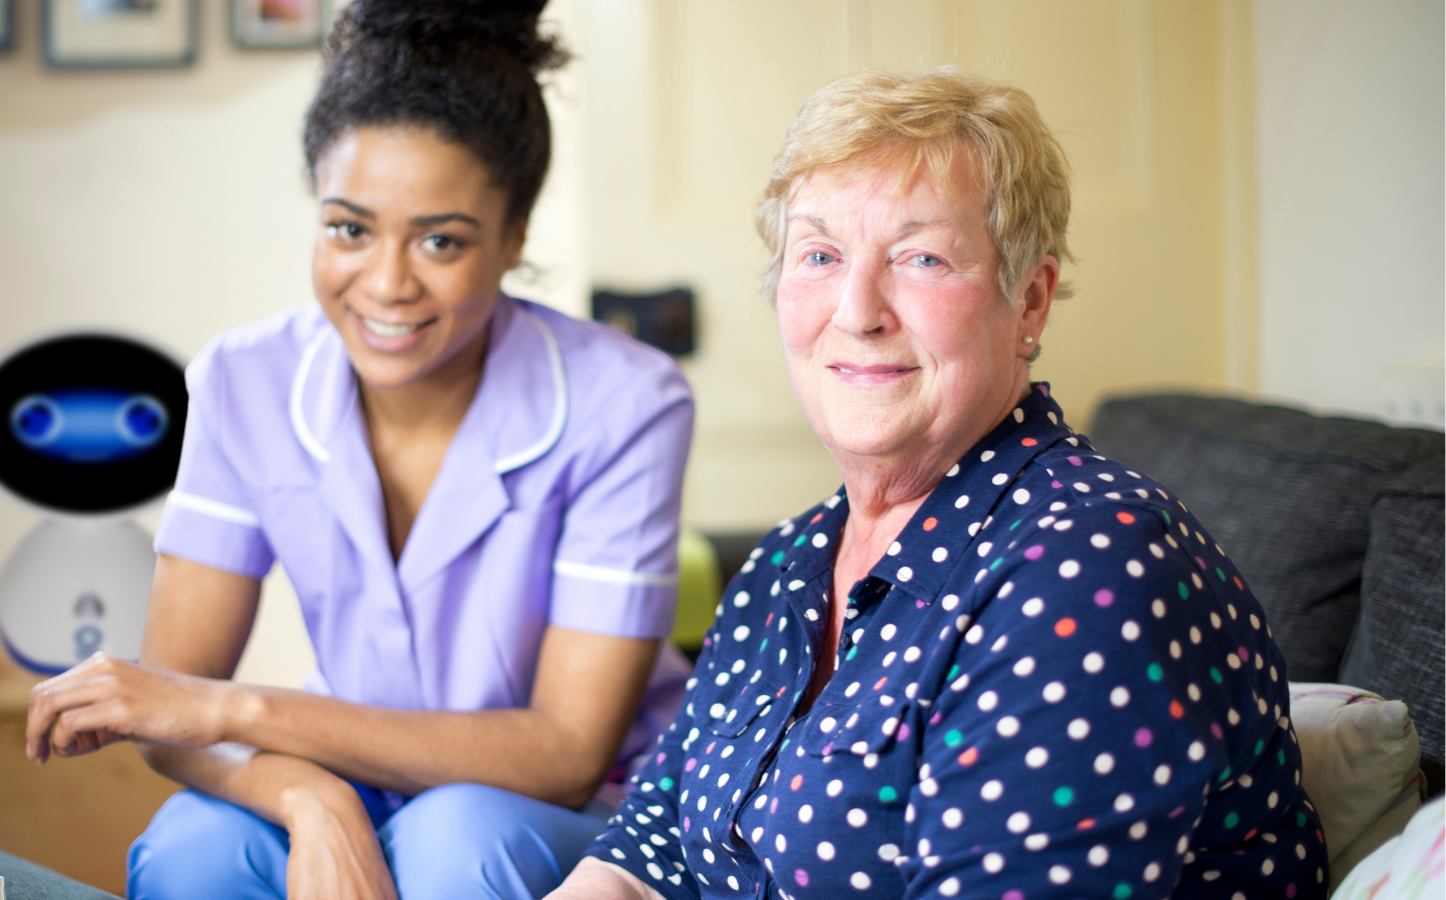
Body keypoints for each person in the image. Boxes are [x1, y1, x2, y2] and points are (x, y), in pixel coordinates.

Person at [551, 67, 1327, 900]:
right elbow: (642, 858)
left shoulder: (1090, 569)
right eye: (819, 254)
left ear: (1029, 302)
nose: (856, 309)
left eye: (921, 258)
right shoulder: (786, 566)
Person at [20, 2, 695, 899]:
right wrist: (307, 794)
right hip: (355, 769)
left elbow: (567, 755)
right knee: (195, 850)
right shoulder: (242, 382)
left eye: (441, 240)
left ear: (515, 238)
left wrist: (235, 707)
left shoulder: (627, 402)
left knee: (457, 839)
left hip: (577, 805)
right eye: (349, 228)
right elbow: (166, 719)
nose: (385, 284)